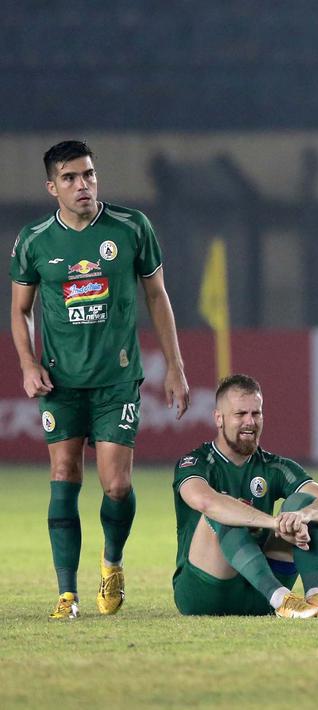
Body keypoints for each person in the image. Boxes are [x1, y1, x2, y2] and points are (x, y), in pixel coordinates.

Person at [9, 140, 191, 619]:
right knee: (64, 476)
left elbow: (157, 296)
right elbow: (20, 311)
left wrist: (175, 366)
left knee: (115, 486)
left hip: (117, 381)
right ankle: (66, 595)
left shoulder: (132, 227)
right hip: (61, 383)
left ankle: (112, 564)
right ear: (52, 187)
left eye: (88, 174)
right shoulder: (34, 240)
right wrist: (28, 364)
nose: (82, 184)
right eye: (69, 178)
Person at [172, 374, 318, 618]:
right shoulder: (195, 463)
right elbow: (205, 501)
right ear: (218, 419)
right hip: (205, 593)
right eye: (240, 414)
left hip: (258, 595)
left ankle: (315, 596)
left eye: (256, 413)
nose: (250, 422)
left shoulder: (274, 466)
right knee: (222, 510)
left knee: (302, 503)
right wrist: (274, 522)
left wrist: (302, 516)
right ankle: (282, 599)